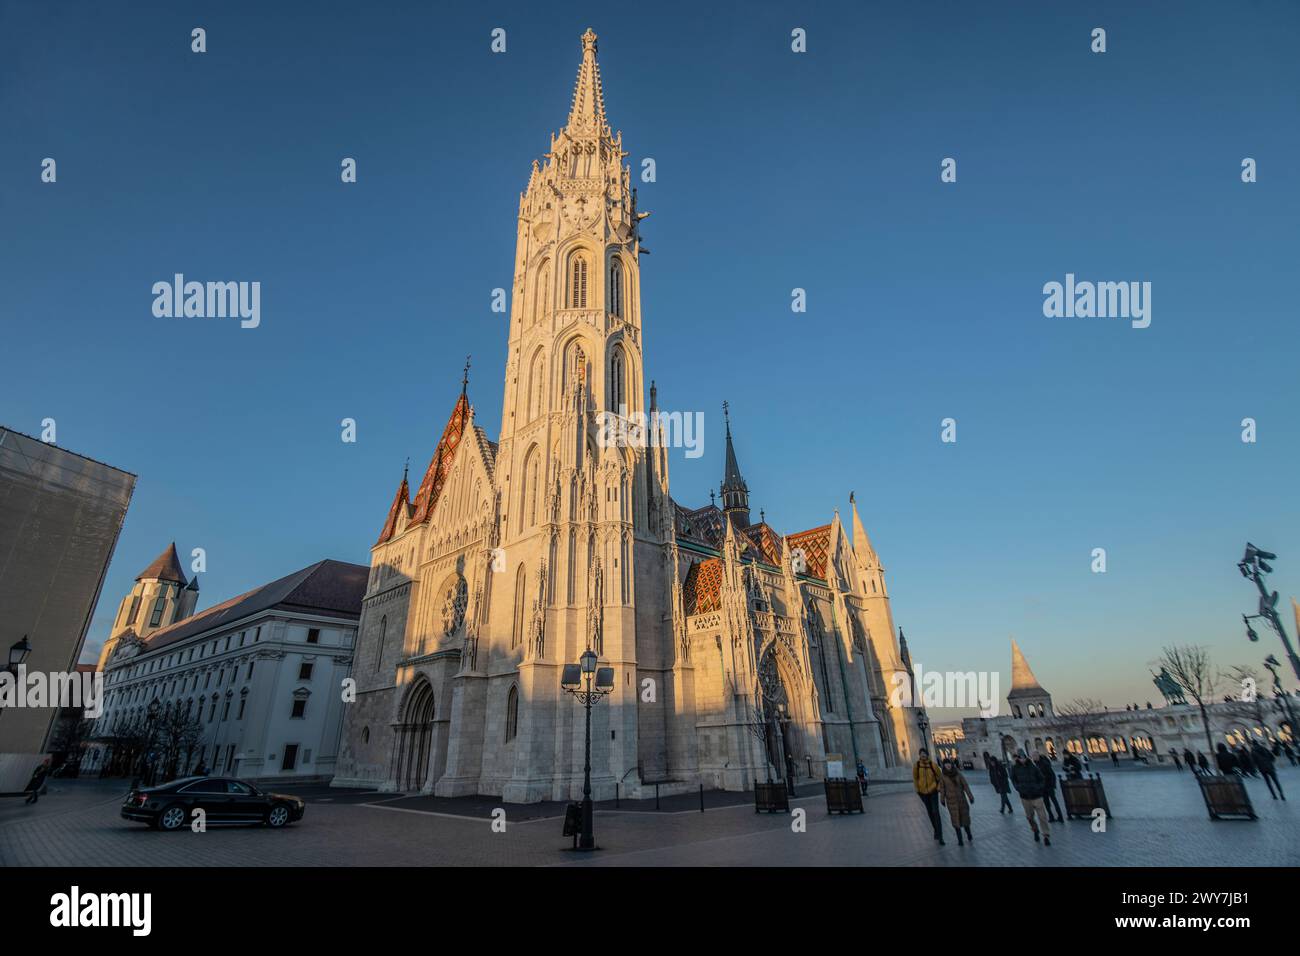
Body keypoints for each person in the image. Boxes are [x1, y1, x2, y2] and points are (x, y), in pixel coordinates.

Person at [1009, 750, 1051, 846]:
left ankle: (1046, 835)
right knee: (1029, 817)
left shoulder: (1033, 766)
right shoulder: (1015, 768)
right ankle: (1035, 829)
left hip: (1037, 795)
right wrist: (1018, 788)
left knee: (1042, 817)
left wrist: (1039, 787)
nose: (1023, 760)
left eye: (1024, 757)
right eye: (1021, 758)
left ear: (1026, 757)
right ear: (1018, 758)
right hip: (1025, 797)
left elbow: (1041, 778)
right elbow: (1013, 779)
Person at [938, 758, 974, 845]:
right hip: (951, 802)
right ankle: (960, 840)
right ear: (944, 766)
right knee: (955, 820)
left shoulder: (958, 774)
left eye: (949, 764)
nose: (948, 765)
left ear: (951, 764)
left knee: (965, 819)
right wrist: (942, 799)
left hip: (961, 800)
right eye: (946, 764)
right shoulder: (943, 777)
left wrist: (970, 796)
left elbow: (965, 785)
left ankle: (968, 833)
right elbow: (942, 789)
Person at [913, 749, 945, 845]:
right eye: (921, 754)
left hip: (933, 791)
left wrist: (938, 787)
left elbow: (940, 777)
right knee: (930, 813)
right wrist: (918, 790)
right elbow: (915, 778)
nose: (923, 755)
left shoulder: (933, 765)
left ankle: (940, 836)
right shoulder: (917, 766)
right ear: (919, 755)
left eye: (924, 754)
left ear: (927, 755)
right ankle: (935, 830)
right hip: (923, 793)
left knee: (935, 812)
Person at [1035, 751, 1064, 823]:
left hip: (1049, 786)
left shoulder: (1045, 763)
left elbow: (1052, 774)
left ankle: (1060, 816)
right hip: (1043, 788)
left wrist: (1053, 785)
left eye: (1034, 756)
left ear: (1037, 756)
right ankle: (1051, 817)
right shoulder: (1036, 764)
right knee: (1046, 803)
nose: (1033, 758)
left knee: (1054, 801)